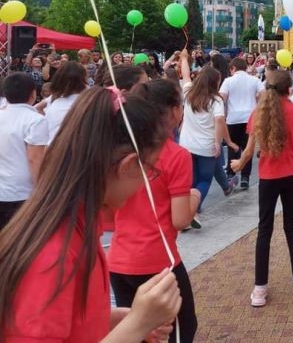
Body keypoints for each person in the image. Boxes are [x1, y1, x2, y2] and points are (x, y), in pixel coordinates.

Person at [0, 87, 181, 341]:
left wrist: (114, 319)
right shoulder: (54, 256)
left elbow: (68, 320)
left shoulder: (76, 227)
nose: (146, 182)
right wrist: (137, 324)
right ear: (128, 165)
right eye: (150, 171)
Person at [108, 79, 201, 342]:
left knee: (136, 333)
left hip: (119, 260)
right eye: (180, 105)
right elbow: (180, 219)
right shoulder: (175, 155)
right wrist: (195, 197)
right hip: (159, 261)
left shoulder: (121, 149)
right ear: (173, 111)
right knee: (182, 329)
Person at [232, 69, 293, 307]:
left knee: (264, 230)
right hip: (291, 175)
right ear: (289, 88)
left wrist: (239, 164)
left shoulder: (258, 113)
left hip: (268, 177)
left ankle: (260, 288)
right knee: (292, 228)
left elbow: (249, 151)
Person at [178, 51, 234, 226]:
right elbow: (219, 120)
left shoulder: (189, 93)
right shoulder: (215, 100)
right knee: (204, 181)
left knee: (192, 180)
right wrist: (218, 142)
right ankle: (191, 212)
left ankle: (190, 212)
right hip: (206, 146)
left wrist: (184, 59)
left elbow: (186, 75)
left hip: (186, 145)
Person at [0, 72, 49, 230]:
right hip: (21, 192)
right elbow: (35, 159)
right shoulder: (35, 120)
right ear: (33, 94)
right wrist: (42, 191)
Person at [220, 57, 264, 190]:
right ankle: (245, 177)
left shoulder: (228, 81)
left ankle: (231, 174)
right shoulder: (254, 80)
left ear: (233, 68)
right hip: (250, 117)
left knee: (233, 147)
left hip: (233, 118)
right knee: (247, 148)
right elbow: (264, 94)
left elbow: (222, 98)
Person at [40, 60, 87, 144]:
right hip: (74, 147)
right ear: (83, 78)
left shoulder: (53, 99)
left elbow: (37, 108)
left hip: (53, 146)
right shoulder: (88, 100)